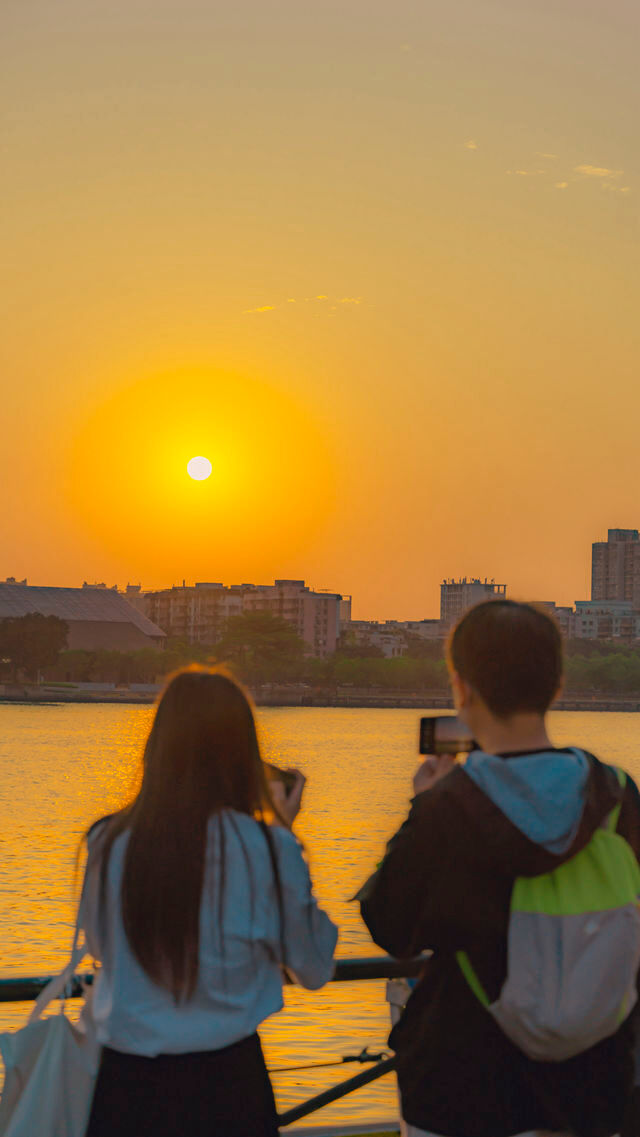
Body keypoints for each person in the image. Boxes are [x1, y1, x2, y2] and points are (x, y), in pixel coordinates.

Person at [357, 600, 640, 1137]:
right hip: (590, 1084)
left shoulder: (448, 807)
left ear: (461, 688)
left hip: (463, 1085)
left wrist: (423, 805)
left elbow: (389, 926)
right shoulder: (617, 795)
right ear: (557, 685)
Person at [80, 666, 338, 1137]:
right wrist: (286, 831)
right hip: (226, 1086)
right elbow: (315, 968)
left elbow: (101, 949)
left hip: (124, 1083)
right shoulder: (267, 849)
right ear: (243, 754)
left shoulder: (108, 840)